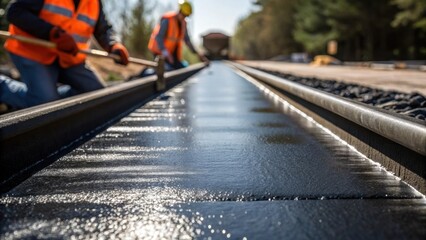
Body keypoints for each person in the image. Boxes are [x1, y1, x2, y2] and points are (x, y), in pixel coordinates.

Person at [0, 0, 130, 110]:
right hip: (33, 52)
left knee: (95, 94)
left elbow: (103, 30)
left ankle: (52, 99)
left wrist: (113, 45)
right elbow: (15, 12)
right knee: (45, 107)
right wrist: (52, 33)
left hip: (69, 58)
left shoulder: (94, 2)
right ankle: (2, 86)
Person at [148, 0, 208, 71]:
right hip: (160, 54)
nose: (184, 17)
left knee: (183, 70)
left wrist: (197, 53)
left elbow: (187, 40)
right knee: (167, 71)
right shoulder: (167, 20)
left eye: (186, 16)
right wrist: (167, 54)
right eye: (184, 15)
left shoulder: (183, 24)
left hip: (172, 56)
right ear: (179, 11)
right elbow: (159, 38)